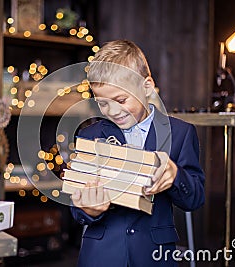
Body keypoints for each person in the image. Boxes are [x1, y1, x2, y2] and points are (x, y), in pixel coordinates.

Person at [70, 40, 205, 267]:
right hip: (101, 256)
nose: (113, 111)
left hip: (154, 255)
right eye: (103, 103)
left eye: (121, 100)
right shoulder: (88, 135)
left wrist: (175, 176)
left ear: (147, 87)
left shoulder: (181, 133)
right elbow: (76, 209)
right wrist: (88, 209)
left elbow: (195, 198)